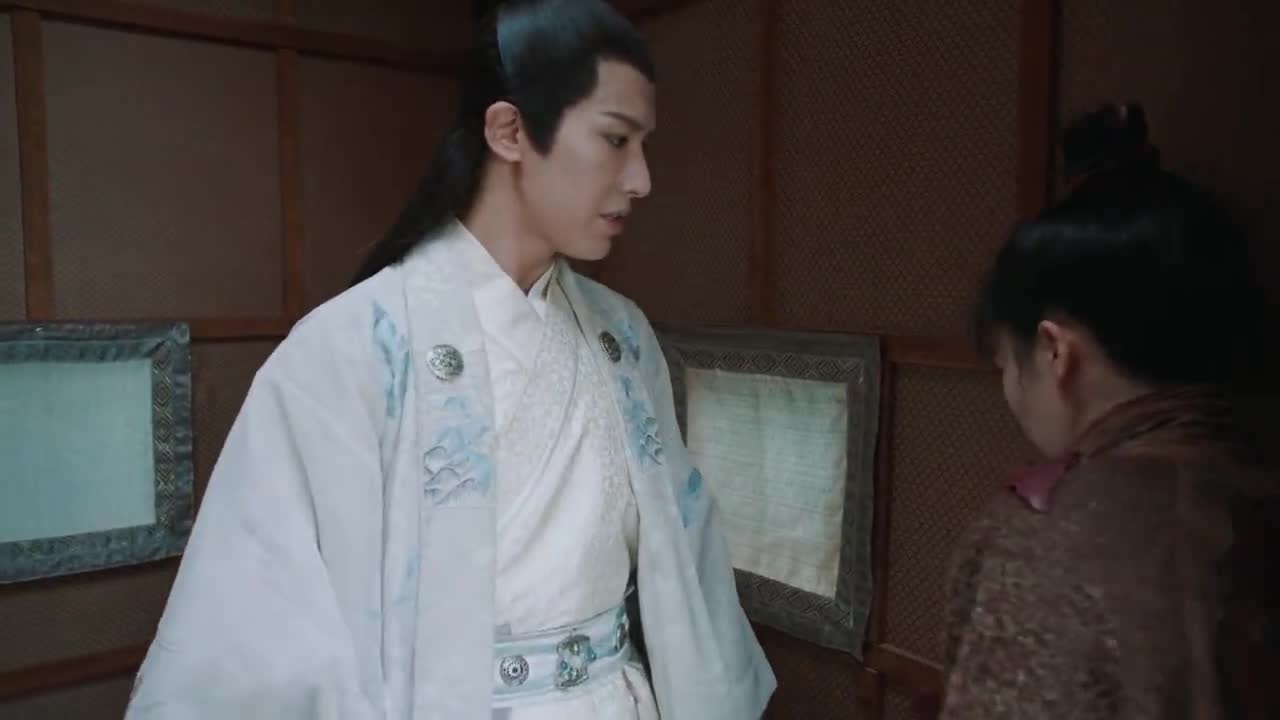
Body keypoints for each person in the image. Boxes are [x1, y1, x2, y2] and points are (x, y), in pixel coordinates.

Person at [124, 1, 776, 718]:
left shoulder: (622, 336)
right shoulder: (349, 347)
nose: (641, 179)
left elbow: (686, 559)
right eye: (615, 139)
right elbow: (261, 605)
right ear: (509, 131)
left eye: (643, 145)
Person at [934, 103, 1279, 717]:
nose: (1010, 388)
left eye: (1007, 362)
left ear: (1055, 352)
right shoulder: (1253, 490)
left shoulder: (1041, 541)